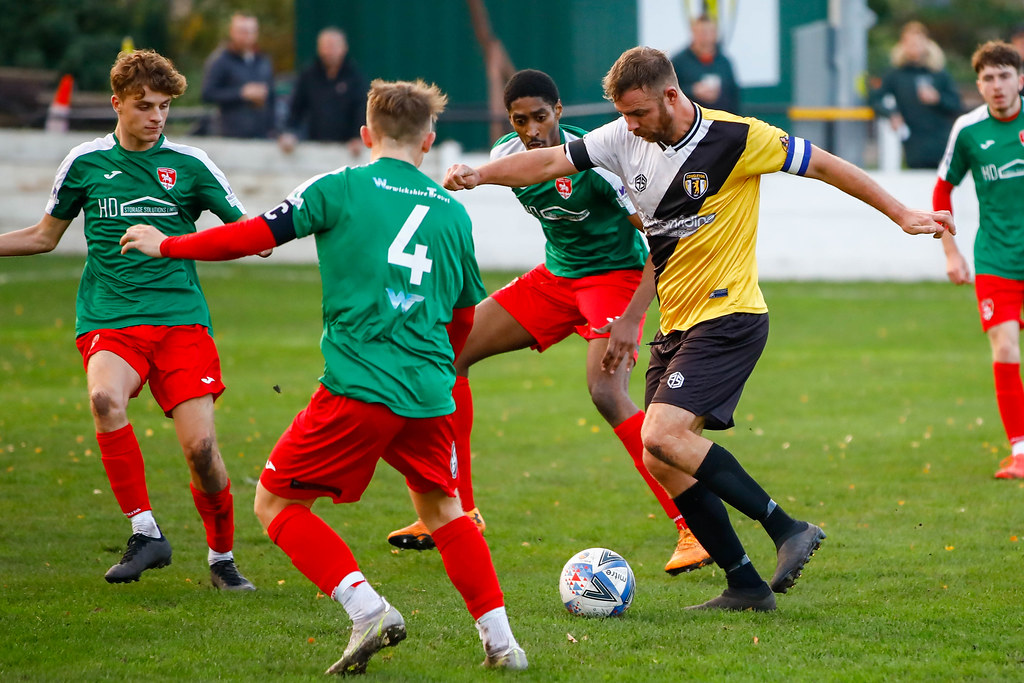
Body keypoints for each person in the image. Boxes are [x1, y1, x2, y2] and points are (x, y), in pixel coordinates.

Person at [444, 46, 954, 611]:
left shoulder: (738, 137)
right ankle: (745, 584)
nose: (629, 126)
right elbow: (545, 163)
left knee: (661, 435)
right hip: (678, 320)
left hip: (730, 314)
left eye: (637, 113)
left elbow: (829, 165)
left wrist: (903, 214)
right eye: (623, 115)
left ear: (670, 94)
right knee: (660, 454)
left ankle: (787, 528)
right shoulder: (622, 137)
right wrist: (479, 174)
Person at [120, 78, 527, 674]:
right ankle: (503, 644)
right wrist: (439, 365)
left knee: (276, 502)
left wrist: (169, 245)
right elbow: (463, 316)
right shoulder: (452, 215)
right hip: (428, 391)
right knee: (445, 510)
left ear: (366, 135)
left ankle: (367, 609)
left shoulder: (339, 186)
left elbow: (257, 234)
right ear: (429, 140)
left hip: (360, 385)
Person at [386, 68, 713, 576]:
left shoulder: (600, 165)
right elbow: (506, 173)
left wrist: (630, 318)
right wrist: (468, 174)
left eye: (541, 117)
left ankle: (692, 527)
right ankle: (457, 511)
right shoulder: (505, 155)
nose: (532, 129)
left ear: (559, 112)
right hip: (558, 278)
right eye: (520, 121)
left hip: (615, 280)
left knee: (606, 393)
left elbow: (662, 239)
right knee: (451, 354)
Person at [0, 50, 255, 590]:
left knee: (202, 454)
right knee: (103, 400)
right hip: (110, 318)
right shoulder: (85, 162)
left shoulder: (190, 165)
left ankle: (222, 558)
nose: (157, 117)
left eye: (164, 107)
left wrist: (172, 244)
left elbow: (253, 241)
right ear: (117, 103)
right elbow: (44, 237)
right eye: (145, 106)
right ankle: (146, 533)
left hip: (181, 322)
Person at [934, 41, 1024, 479]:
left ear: (1020, 79)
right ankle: (1020, 450)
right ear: (979, 85)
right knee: (1005, 346)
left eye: (1005, 76)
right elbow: (941, 189)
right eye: (988, 78)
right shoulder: (968, 130)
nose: (997, 86)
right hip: (996, 259)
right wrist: (950, 249)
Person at [872, 21, 962, 169]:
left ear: (926, 43)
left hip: (941, 142)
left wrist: (938, 98)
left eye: (918, 42)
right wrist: (891, 114)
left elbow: (956, 104)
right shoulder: (896, 74)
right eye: (910, 42)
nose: (914, 46)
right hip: (914, 144)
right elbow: (875, 99)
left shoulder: (938, 72)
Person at [278, 27, 368, 156]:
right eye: (324, 46)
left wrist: (357, 137)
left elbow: (361, 108)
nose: (328, 51)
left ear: (344, 48)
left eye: (332, 46)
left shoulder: (354, 77)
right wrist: (290, 132)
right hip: (313, 146)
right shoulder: (309, 75)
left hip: (347, 150)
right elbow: (296, 108)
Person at [201, 12, 276, 138]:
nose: (247, 36)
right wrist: (241, 93)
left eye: (251, 31)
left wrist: (274, 128)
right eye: (243, 31)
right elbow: (207, 93)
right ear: (232, 32)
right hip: (231, 135)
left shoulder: (263, 60)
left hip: (262, 135)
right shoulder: (220, 60)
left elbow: (272, 96)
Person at [669, 13, 740, 114]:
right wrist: (693, 91)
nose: (706, 37)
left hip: (722, 123)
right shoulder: (678, 62)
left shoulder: (724, 62)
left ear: (716, 34)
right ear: (693, 32)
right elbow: (668, 93)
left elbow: (734, 95)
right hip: (690, 122)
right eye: (702, 32)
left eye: (710, 32)